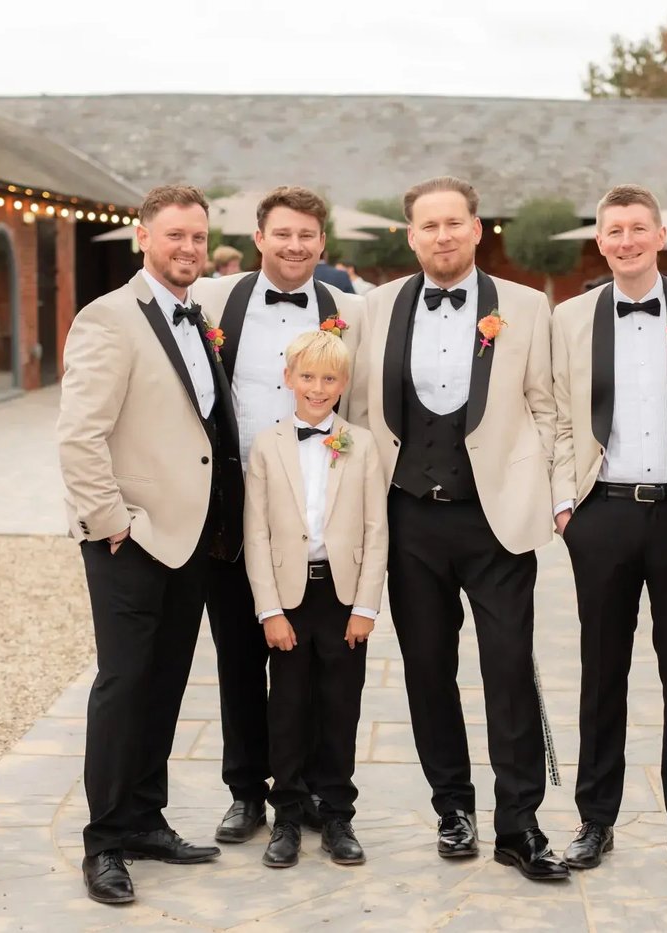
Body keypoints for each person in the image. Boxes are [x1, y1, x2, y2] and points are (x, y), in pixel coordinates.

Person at [349, 176, 568, 881]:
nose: (442, 235)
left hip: (494, 520)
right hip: (408, 517)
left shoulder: (526, 307)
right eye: (428, 225)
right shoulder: (376, 307)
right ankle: (453, 807)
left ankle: (519, 823)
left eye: (453, 223)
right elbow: (358, 410)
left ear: (476, 229)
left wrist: (535, 488)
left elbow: (546, 407)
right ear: (411, 236)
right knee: (427, 669)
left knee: (508, 667)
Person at [58, 184, 240, 905]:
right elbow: (80, 435)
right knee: (124, 684)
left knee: (165, 683)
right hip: (128, 539)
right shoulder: (108, 318)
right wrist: (112, 522)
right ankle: (104, 841)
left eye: (197, 237)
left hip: (190, 537)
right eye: (175, 236)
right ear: (144, 237)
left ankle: (144, 819)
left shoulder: (198, 318)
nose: (188, 248)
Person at [550, 185, 667, 874]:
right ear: (600, 242)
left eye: (637, 228)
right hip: (602, 511)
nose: (626, 240)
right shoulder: (570, 318)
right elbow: (559, 416)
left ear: (660, 236)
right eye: (614, 230)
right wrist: (566, 508)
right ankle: (595, 819)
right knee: (602, 670)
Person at [194, 186, 365, 846]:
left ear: (323, 243)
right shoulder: (214, 300)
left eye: (307, 235)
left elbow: (362, 405)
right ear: (260, 237)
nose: (295, 246)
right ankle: (246, 791)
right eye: (283, 233)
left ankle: (317, 789)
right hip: (233, 507)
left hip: (317, 509)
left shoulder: (351, 310)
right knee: (240, 655)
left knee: (315, 666)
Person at [246, 330, 387, 869]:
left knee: (340, 707)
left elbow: (376, 529)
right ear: (289, 379)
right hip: (289, 599)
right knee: (286, 707)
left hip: (342, 597)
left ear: (343, 383)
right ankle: (286, 814)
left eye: (329, 379)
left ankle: (337, 815)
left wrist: (366, 607)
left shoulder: (361, 443)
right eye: (307, 376)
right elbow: (256, 532)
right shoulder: (267, 444)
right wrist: (269, 610)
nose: (318, 388)